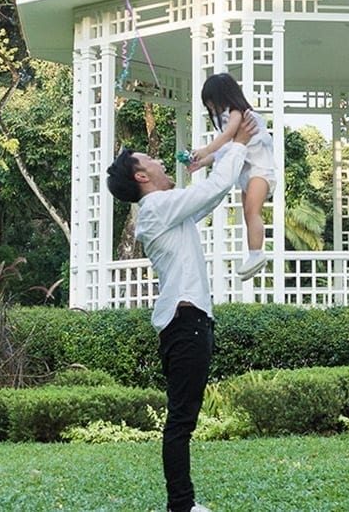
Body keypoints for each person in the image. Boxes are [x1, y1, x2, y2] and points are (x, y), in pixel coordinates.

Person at [104, 110, 256, 512]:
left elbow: (212, 193)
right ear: (141, 176)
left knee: (182, 420)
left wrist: (214, 155)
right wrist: (237, 141)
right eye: (150, 160)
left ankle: (183, 505)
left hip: (189, 322)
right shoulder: (155, 208)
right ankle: (182, 507)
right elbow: (214, 189)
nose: (159, 161)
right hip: (184, 322)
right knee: (181, 422)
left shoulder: (166, 209)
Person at [185, 72, 276, 279]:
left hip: (260, 171)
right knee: (247, 214)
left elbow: (226, 138)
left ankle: (256, 253)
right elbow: (225, 150)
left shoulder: (239, 113)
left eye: (211, 102)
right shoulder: (229, 118)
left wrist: (205, 150)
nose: (210, 107)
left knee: (252, 212)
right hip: (246, 174)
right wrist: (200, 163)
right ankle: (254, 255)